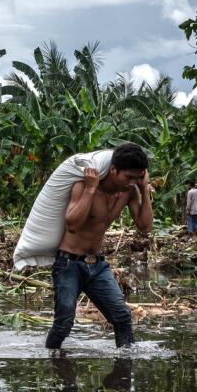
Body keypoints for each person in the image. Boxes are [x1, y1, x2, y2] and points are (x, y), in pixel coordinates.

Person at [44, 143, 152, 350]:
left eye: (138, 177)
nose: (132, 182)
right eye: (129, 177)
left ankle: (125, 367)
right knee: (64, 323)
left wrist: (144, 189)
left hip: (97, 265)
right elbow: (72, 225)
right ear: (113, 170)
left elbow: (145, 227)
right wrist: (91, 189)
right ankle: (52, 361)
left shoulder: (129, 192)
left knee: (122, 316)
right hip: (68, 264)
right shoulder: (84, 186)